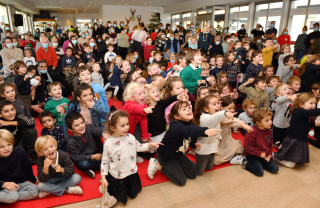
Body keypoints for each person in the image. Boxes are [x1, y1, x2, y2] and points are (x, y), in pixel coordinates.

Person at [152, 101, 220, 185]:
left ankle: (176, 165)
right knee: (181, 181)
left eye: (188, 108)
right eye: (184, 109)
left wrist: (193, 144)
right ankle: (158, 165)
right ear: (177, 116)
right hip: (166, 157)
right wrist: (205, 130)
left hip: (179, 154)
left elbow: (187, 138)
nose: (188, 110)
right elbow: (188, 130)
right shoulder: (176, 127)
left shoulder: (189, 122)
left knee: (193, 174)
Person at [100, 110, 161, 204]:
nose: (127, 127)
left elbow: (139, 147)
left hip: (131, 171)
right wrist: (103, 177)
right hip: (118, 175)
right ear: (113, 128)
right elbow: (105, 161)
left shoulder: (131, 137)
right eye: (122, 125)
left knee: (132, 194)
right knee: (119, 196)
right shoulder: (109, 143)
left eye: (127, 124)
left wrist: (151, 144)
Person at [193, 95, 237, 175]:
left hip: (213, 149)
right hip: (204, 150)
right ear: (206, 109)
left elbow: (218, 129)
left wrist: (219, 139)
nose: (217, 105)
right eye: (214, 104)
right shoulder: (205, 118)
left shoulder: (214, 116)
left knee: (209, 167)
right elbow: (214, 119)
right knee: (199, 172)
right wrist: (224, 112)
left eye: (218, 103)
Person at [274, 93, 320, 168]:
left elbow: (305, 124)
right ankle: (275, 156)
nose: (314, 105)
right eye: (311, 103)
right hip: (294, 138)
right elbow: (312, 112)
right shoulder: (299, 111)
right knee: (291, 165)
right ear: (301, 104)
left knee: (296, 157)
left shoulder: (303, 113)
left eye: (314, 103)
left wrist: (314, 125)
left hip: (301, 138)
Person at [0, 129, 39, 204]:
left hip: (19, 183)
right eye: (1, 147)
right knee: (12, 196)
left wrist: (33, 180)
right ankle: (9, 198)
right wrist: (3, 184)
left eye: (9, 144)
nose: (7, 148)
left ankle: (6, 199)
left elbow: (28, 169)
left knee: (35, 191)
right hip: (2, 185)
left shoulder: (20, 152)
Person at [66, 111, 108, 178]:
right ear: (71, 129)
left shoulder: (88, 127)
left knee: (108, 147)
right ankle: (106, 164)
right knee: (83, 164)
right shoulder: (71, 142)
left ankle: (92, 168)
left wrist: (104, 133)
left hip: (95, 151)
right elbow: (77, 157)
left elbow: (98, 130)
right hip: (83, 159)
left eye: (82, 123)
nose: (81, 126)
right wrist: (92, 157)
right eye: (77, 125)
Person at [241, 108, 279, 176]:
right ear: (258, 122)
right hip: (252, 155)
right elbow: (247, 147)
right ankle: (244, 162)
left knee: (275, 169)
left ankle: (259, 164)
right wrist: (259, 154)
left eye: (270, 119)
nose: (270, 122)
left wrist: (269, 155)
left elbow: (270, 145)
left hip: (264, 155)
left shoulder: (269, 131)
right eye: (267, 120)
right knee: (259, 172)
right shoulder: (251, 132)